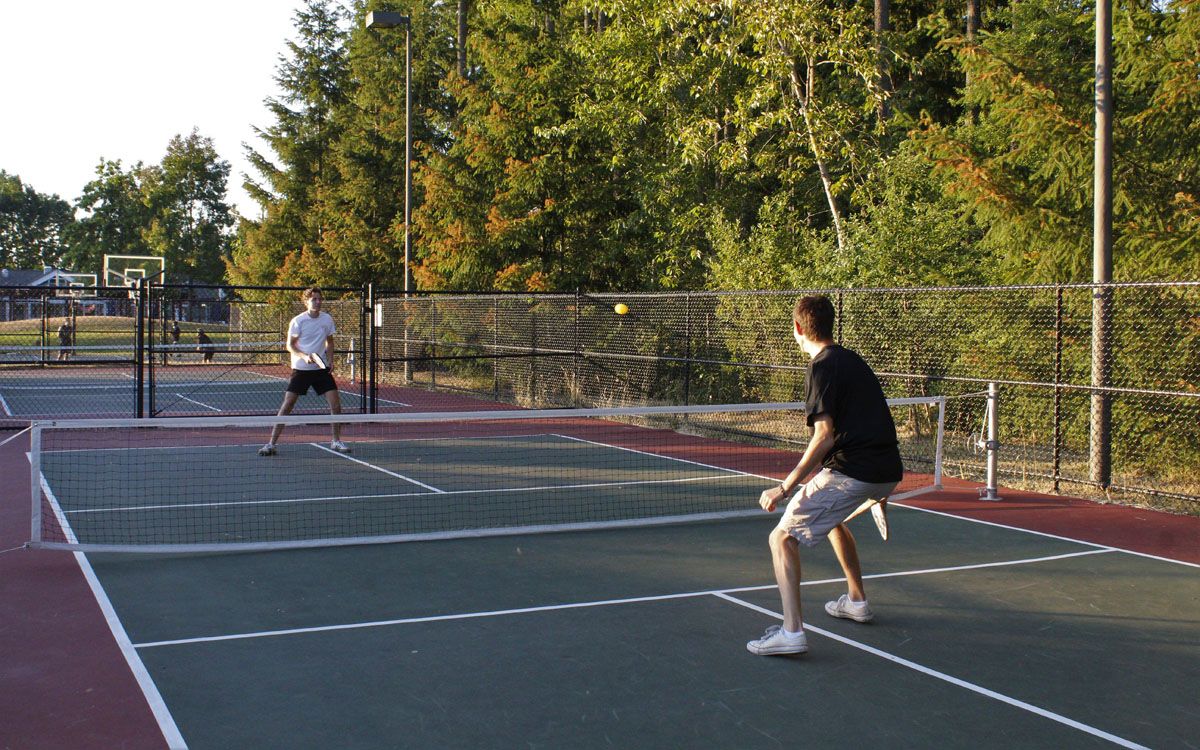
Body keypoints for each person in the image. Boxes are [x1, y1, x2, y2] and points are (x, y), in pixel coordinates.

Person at [746, 295, 903, 656]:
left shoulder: (820, 368)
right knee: (832, 521)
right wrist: (880, 488)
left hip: (853, 471)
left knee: (782, 539)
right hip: (887, 470)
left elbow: (824, 436)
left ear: (798, 328)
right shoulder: (854, 360)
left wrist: (784, 488)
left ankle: (791, 632)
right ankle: (857, 600)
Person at [259, 287, 350, 456]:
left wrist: (330, 359)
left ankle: (336, 441)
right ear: (306, 301)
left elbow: (330, 342)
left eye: (319, 299)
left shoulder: (327, 319)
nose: (317, 301)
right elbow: (290, 345)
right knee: (287, 405)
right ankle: (271, 443)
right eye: (314, 299)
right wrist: (304, 356)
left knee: (335, 405)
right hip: (301, 369)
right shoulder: (298, 321)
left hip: (320, 369)